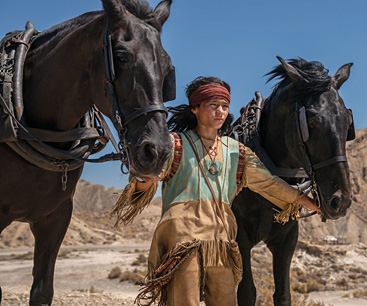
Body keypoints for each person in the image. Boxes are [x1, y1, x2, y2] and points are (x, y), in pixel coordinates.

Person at [112, 76, 321, 306]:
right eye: (212, 105)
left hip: (221, 245)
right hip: (183, 244)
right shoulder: (174, 145)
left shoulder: (236, 152)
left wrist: (307, 202)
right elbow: (140, 187)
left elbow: (269, 184)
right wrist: (147, 177)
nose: (220, 112)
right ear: (195, 108)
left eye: (224, 106)